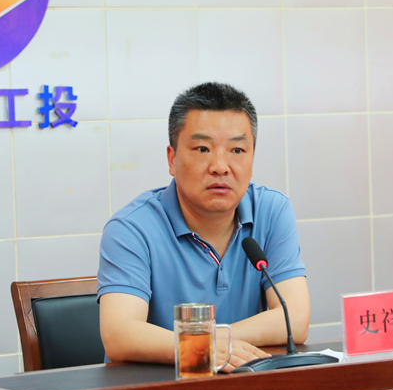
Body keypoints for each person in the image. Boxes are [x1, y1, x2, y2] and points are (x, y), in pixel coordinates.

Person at [98, 82, 310, 372]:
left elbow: (294, 319)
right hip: (159, 389)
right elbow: (119, 335)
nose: (220, 166)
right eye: (202, 148)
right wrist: (204, 346)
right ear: (172, 159)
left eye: (237, 149)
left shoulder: (271, 211)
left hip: (245, 385)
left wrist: (214, 339)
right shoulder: (131, 228)